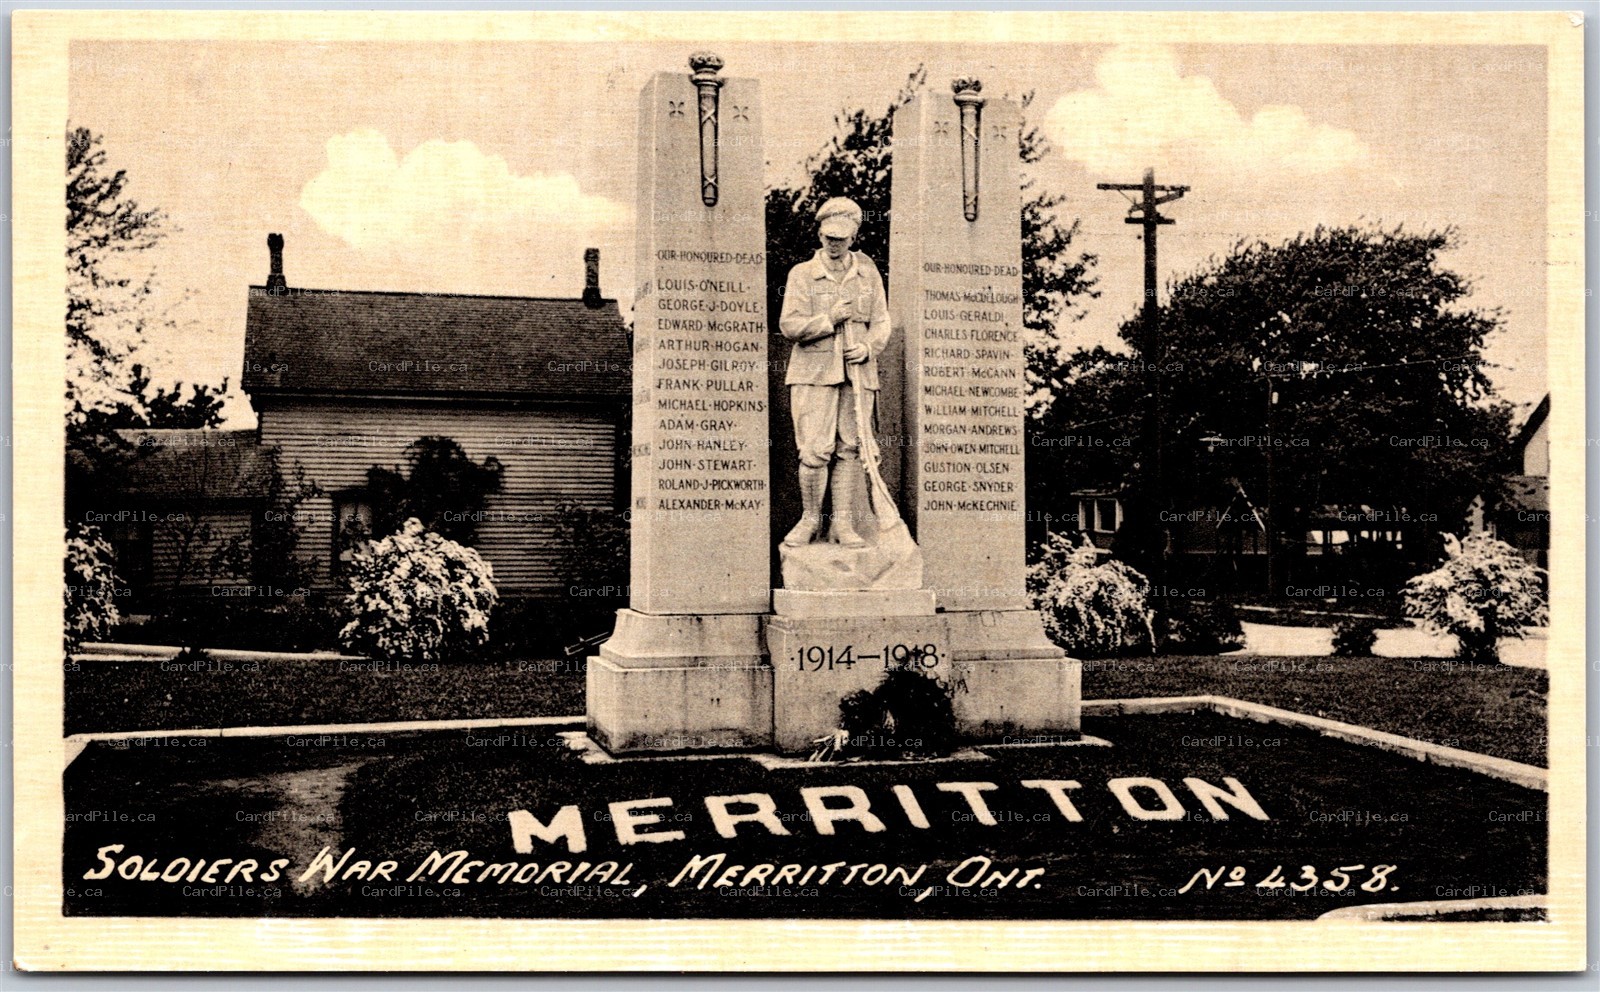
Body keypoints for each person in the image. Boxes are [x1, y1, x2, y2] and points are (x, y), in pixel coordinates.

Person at [778, 196, 892, 548]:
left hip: (857, 373)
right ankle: (810, 520)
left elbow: (882, 321)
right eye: (828, 236)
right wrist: (828, 321)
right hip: (814, 374)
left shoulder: (867, 272)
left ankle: (842, 525)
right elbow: (789, 325)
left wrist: (869, 347)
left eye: (841, 238)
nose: (833, 243)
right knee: (814, 450)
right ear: (820, 233)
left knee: (851, 449)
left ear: (853, 237)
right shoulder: (802, 274)